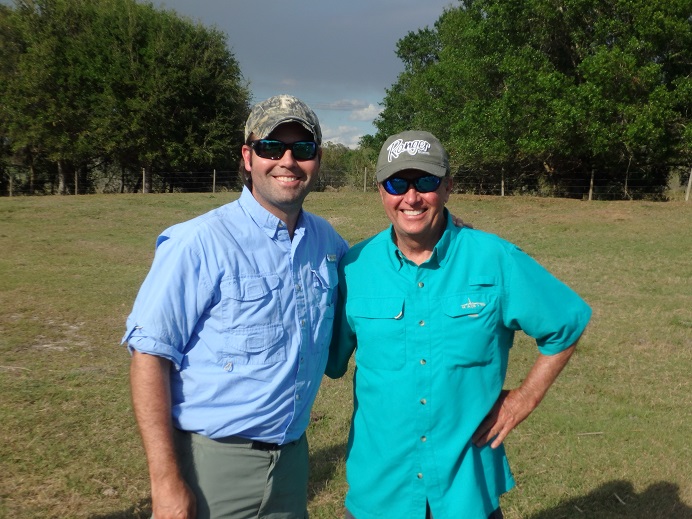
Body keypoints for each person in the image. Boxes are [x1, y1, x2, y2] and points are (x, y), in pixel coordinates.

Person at [326, 130, 592, 519]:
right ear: (381, 190)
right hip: (379, 493)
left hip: (466, 494)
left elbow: (566, 321)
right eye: (397, 183)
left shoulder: (494, 258)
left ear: (448, 187)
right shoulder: (355, 266)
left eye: (427, 182)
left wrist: (525, 397)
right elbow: (325, 359)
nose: (411, 197)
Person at [122, 94, 349, 519]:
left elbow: (382, 266)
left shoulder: (327, 243)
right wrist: (166, 484)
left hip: (292, 463)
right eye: (270, 147)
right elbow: (149, 356)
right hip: (212, 469)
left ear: (316, 159)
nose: (287, 160)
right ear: (248, 156)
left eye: (302, 149)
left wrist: (444, 228)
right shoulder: (197, 242)